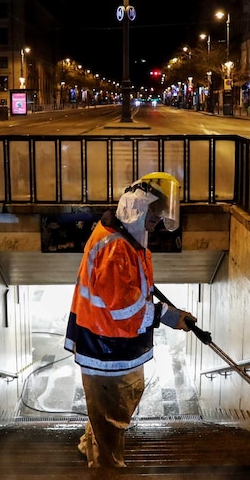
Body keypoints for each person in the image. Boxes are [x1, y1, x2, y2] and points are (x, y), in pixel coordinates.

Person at [64, 171, 197, 468]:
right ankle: (105, 470)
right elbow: (123, 310)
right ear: (137, 205)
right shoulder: (116, 248)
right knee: (112, 422)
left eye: (161, 216)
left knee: (106, 413)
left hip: (108, 345)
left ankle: (91, 443)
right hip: (108, 350)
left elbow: (129, 295)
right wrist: (169, 316)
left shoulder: (123, 238)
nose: (158, 222)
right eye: (154, 214)